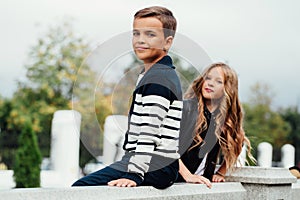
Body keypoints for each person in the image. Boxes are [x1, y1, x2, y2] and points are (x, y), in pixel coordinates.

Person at [72, 6, 183, 189]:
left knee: (82, 187)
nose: (140, 40)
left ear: (167, 42)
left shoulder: (159, 78)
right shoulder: (154, 74)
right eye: (136, 33)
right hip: (154, 164)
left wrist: (134, 174)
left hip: (152, 166)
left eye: (150, 35)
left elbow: (150, 130)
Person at [176, 62, 255, 188]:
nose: (210, 83)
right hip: (176, 181)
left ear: (227, 88)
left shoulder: (224, 120)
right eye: (207, 78)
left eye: (219, 81)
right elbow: (166, 146)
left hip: (204, 184)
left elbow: (238, 143)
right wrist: (188, 176)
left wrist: (220, 173)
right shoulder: (186, 108)